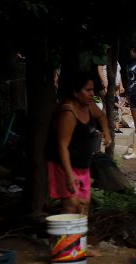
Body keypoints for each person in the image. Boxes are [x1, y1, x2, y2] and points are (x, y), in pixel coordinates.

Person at [45, 71, 111, 214]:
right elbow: (62, 146)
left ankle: (79, 236)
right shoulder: (68, 112)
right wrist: (69, 175)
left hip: (82, 165)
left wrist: (106, 131)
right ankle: (67, 236)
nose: (91, 93)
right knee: (72, 204)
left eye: (92, 90)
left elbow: (101, 116)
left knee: (84, 204)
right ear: (75, 92)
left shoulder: (89, 105)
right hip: (64, 166)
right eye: (87, 90)